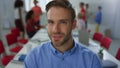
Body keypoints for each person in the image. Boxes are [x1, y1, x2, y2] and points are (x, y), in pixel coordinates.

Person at [24, 1, 102, 68]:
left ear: (74, 25)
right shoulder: (33, 59)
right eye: (51, 22)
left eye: (63, 22)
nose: (55, 30)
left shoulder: (92, 61)